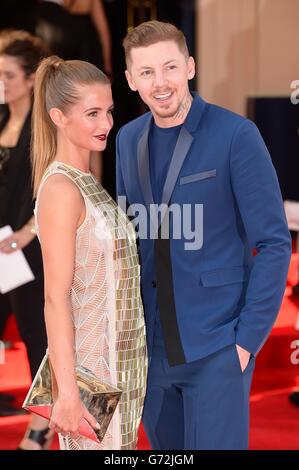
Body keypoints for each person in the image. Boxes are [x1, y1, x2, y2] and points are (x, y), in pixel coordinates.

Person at [116, 20, 292, 450]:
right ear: (130, 80)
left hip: (217, 347)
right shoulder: (127, 139)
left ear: (190, 67)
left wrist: (245, 342)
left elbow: (274, 242)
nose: (160, 83)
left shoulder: (236, 135)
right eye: (146, 72)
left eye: (170, 67)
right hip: (151, 353)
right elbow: (131, 238)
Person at [31, 56, 147, 450]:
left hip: (122, 364)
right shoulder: (62, 189)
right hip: (93, 372)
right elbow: (54, 298)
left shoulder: (87, 181)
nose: (106, 124)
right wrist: (67, 392)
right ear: (58, 116)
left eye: (109, 111)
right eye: (92, 113)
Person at [0, 29, 52, 449]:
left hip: (28, 248)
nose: (0, 83)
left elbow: (56, 187)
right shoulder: (0, 117)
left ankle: (44, 420)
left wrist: (25, 233)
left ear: (31, 77)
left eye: (8, 75)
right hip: (0, 246)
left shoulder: (45, 125)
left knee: (37, 335)